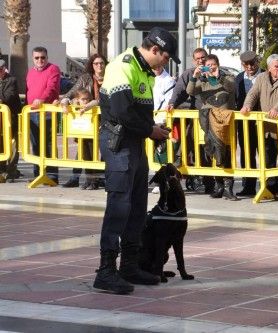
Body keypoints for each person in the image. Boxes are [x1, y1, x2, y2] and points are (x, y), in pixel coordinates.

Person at [93, 27, 177, 294]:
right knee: (118, 205)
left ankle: (128, 265)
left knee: (137, 205)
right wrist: (149, 130)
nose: (166, 63)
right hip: (119, 143)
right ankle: (106, 271)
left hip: (136, 143)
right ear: (154, 50)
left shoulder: (145, 71)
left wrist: (153, 128)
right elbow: (120, 112)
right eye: (165, 57)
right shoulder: (122, 66)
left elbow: (138, 113)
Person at [240, 54, 278, 201]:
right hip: (265, 127)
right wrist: (247, 106)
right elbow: (253, 93)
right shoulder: (262, 78)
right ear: (269, 68)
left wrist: (277, 109)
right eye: (276, 66)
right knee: (267, 158)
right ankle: (269, 188)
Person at [187, 54, 239, 201]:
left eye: (213, 65)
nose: (210, 68)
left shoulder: (227, 76)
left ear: (218, 64)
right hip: (208, 120)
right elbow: (190, 91)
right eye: (207, 66)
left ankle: (229, 187)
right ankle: (219, 186)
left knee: (226, 152)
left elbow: (231, 88)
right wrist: (194, 76)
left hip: (225, 122)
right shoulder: (202, 80)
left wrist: (218, 76)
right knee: (213, 150)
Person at [167, 48, 214, 194]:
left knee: (207, 150)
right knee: (189, 143)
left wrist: (210, 76)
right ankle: (176, 175)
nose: (201, 61)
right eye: (198, 58)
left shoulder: (214, 72)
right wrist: (172, 103)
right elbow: (180, 91)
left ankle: (210, 184)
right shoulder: (188, 74)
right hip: (193, 118)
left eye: (203, 58)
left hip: (211, 117)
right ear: (194, 60)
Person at [59, 53, 108, 189]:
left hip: (106, 119)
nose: (99, 65)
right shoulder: (85, 78)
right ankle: (85, 179)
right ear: (91, 65)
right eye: (96, 63)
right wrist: (65, 101)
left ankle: (99, 179)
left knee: (104, 150)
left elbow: (106, 98)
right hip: (87, 120)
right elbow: (71, 94)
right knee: (84, 148)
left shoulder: (111, 78)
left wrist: (91, 104)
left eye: (102, 63)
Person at [26, 46, 61, 183]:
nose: (40, 60)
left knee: (49, 144)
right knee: (35, 144)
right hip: (32, 113)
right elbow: (28, 91)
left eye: (42, 57)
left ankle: (52, 176)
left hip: (47, 112)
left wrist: (42, 100)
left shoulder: (53, 69)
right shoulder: (30, 72)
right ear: (33, 59)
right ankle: (38, 174)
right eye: (37, 58)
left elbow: (51, 88)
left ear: (47, 57)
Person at [234, 51, 261, 197]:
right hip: (245, 123)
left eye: (252, 63)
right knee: (246, 153)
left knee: (266, 154)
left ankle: (268, 186)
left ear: (257, 62)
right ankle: (248, 186)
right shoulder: (238, 79)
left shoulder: (265, 76)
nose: (250, 67)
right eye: (246, 64)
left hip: (264, 121)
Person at [150, 64, 176, 194]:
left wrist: (161, 121)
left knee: (162, 152)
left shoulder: (168, 80)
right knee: (152, 152)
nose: (156, 68)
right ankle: (157, 179)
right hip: (148, 120)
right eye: (154, 66)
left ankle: (162, 181)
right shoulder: (147, 77)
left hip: (161, 120)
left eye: (159, 65)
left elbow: (167, 102)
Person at [0, 59, 22, 183]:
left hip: (12, 118)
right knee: (1, 145)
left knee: (14, 146)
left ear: (4, 69)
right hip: (0, 119)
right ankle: (2, 170)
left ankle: (11, 171)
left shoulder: (11, 80)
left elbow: (9, 96)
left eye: (1, 69)